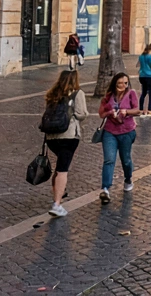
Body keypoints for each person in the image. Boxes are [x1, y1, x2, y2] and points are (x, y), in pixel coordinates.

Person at [43, 69, 89, 217]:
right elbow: (81, 114)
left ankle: (58, 194)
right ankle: (56, 204)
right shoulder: (77, 93)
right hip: (68, 136)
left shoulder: (52, 94)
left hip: (51, 137)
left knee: (59, 166)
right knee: (63, 169)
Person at [98, 72, 140, 205]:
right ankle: (105, 189)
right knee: (109, 160)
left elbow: (137, 110)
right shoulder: (108, 95)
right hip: (110, 131)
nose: (123, 85)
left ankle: (128, 179)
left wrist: (126, 112)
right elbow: (101, 113)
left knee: (126, 160)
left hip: (126, 131)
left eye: (126, 83)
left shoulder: (131, 93)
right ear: (115, 83)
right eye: (120, 83)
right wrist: (109, 112)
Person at [137, 44, 151, 115]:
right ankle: (150, 109)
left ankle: (140, 108)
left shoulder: (141, 56)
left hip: (142, 75)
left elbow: (137, 65)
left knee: (143, 92)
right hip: (150, 76)